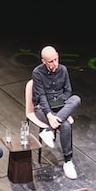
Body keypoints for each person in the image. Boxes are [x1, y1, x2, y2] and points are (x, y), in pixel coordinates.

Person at [29, 46, 81, 179]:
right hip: (43, 107)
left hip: (60, 105)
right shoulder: (37, 72)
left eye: (56, 59)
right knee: (65, 125)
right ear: (44, 61)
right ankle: (68, 161)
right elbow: (41, 97)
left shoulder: (63, 69)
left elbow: (68, 91)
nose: (55, 63)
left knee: (76, 99)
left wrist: (61, 102)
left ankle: (49, 130)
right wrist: (49, 115)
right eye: (51, 61)